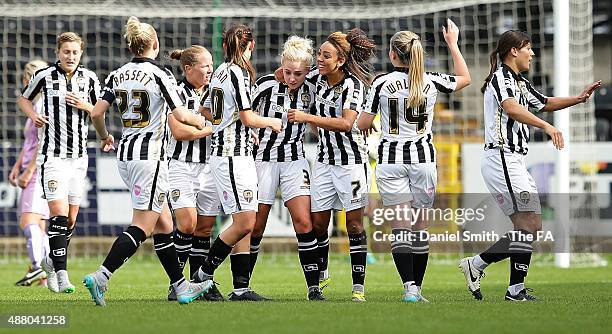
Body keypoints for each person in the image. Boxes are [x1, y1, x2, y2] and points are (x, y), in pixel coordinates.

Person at [459, 29, 602, 301]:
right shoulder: (501, 78)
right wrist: (547, 127)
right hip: (502, 157)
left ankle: (487, 272)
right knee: (531, 223)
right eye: (529, 48)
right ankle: (502, 281)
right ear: (514, 50)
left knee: (529, 226)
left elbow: (545, 103)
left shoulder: (520, 83)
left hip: (513, 160)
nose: (532, 53)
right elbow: (512, 108)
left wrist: (579, 98)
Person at [83, 16, 213, 306]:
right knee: (142, 225)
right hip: (150, 157)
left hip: (126, 155)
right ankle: (101, 276)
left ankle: (181, 286)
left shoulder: (116, 74)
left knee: (165, 223)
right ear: (154, 44)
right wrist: (205, 123)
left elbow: (95, 113)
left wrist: (105, 136)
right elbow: (180, 115)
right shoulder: (160, 74)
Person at [357, 19, 471, 302]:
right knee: (420, 227)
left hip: (390, 159)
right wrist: (453, 45)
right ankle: (417, 290)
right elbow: (465, 79)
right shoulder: (430, 80)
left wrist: (367, 123)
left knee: (400, 228)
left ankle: (408, 287)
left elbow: (362, 123)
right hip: (423, 161)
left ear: (393, 54)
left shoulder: (381, 82)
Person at [193, 24, 282, 301]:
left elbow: (205, 108)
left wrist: (228, 124)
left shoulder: (220, 71)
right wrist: (271, 122)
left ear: (225, 47)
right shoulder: (237, 73)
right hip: (231, 156)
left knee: (242, 219)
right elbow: (247, 116)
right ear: (251, 46)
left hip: (235, 153)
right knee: (245, 223)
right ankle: (202, 276)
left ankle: (241, 288)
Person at [286, 28, 375, 302]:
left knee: (354, 225)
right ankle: (322, 272)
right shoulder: (316, 78)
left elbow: (347, 124)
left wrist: (306, 116)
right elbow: (291, 77)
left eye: (326, 56)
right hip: (324, 163)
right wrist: (283, 74)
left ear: (340, 61)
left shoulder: (353, 86)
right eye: (319, 55)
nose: (319, 60)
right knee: (318, 223)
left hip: (352, 164)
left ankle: (358, 287)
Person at [19, 32, 101, 293]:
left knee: (71, 219)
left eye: (75, 52)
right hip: (52, 157)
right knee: (58, 213)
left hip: (79, 157)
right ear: (58, 52)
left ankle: (50, 261)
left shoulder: (89, 78)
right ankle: (63, 273)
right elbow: (23, 99)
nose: (71, 56)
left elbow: (100, 108)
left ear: (81, 53)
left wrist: (85, 106)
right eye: (66, 51)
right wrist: (34, 115)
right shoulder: (44, 76)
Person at [248, 35, 324, 300]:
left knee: (304, 222)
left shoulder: (312, 88)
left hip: (295, 160)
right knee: (256, 225)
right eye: (289, 72)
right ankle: (243, 285)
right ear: (281, 65)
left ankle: (314, 288)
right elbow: (242, 113)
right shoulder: (264, 85)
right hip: (263, 160)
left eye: (299, 73)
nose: (293, 78)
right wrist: (253, 130)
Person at [165, 45, 223, 301]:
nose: (210, 69)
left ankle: (200, 283)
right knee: (187, 223)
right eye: (205, 65)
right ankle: (176, 283)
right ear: (188, 68)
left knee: (204, 229)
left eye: (211, 64)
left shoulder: (216, 92)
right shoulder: (176, 93)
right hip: (180, 166)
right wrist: (209, 129)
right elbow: (179, 132)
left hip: (210, 167)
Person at [11, 60, 51, 287]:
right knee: (39, 224)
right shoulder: (39, 105)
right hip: (35, 169)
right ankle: (45, 275)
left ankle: (38, 267)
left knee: (28, 221)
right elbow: (31, 142)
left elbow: (42, 143)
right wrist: (18, 165)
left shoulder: (41, 105)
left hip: (37, 172)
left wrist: (28, 171)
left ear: (28, 81)